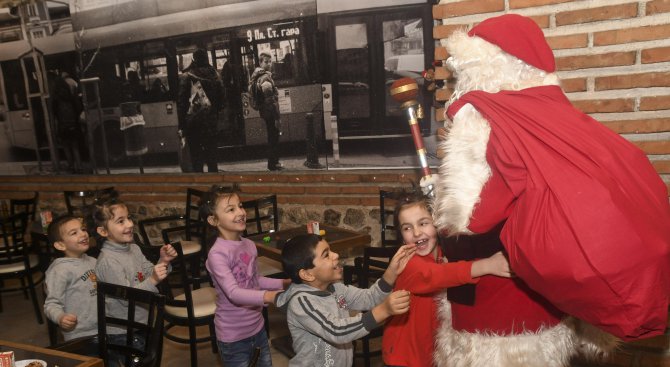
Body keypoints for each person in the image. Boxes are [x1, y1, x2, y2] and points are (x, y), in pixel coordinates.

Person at [430, 13, 667, 365]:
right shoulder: (563, 118)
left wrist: (438, 197)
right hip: (542, 300)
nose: (454, 86)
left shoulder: (482, 120)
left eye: (459, 73)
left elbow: (471, 218)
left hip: (495, 308)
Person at [381, 191, 512, 367]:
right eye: (407, 227)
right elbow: (435, 275)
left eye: (423, 223)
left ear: (437, 223)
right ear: (402, 237)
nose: (417, 232)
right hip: (403, 355)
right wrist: (487, 265)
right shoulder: (408, 263)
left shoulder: (444, 255)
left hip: (428, 353)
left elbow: (452, 270)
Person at [276, 234, 415, 367]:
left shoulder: (336, 289)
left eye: (330, 250)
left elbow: (370, 298)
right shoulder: (301, 303)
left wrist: (391, 272)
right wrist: (383, 310)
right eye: (326, 254)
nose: (336, 255)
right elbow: (336, 330)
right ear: (307, 274)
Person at [202, 185, 290, 367]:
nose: (241, 212)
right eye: (231, 209)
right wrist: (269, 296)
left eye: (240, 206)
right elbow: (234, 293)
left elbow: (254, 280)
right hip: (233, 337)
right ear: (213, 220)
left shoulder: (249, 245)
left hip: (258, 328)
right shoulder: (217, 254)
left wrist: (283, 283)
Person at [92, 193, 177, 365]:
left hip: (140, 322)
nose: (130, 224)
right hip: (121, 332)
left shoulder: (133, 248)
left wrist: (163, 261)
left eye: (129, 218)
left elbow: (147, 271)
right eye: (121, 221)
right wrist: (153, 280)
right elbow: (127, 297)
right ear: (103, 231)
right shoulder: (109, 261)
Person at [43, 214, 98, 345]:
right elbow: (51, 304)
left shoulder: (93, 261)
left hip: (103, 326)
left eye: (83, 229)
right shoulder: (60, 270)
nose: (83, 234)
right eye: (74, 233)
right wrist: (60, 317)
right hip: (79, 334)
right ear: (61, 245)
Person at [178, 48, 223, 173]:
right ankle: (214, 186)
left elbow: (181, 104)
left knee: (196, 160)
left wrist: (182, 125)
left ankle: (201, 187)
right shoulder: (216, 75)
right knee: (212, 160)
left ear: (194, 59)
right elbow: (222, 101)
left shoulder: (186, 77)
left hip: (193, 125)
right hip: (211, 123)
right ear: (207, 59)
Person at [250, 52, 282, 171]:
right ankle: (273, 164)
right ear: (260, 62)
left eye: (270, 61)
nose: (269, 64)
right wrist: (277, 118)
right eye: (266, 62)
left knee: (272, 136)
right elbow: (270, 101)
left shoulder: (258, 75)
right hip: (270, 112)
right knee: (273, 137)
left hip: (265, 111)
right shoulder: (265, 78)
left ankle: (274, 163)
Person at [52, 71, 84, 173]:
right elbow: (78, 108)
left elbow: (54, 113)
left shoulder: (55, 99)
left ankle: (71, 166)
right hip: (73, 124)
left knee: (66, 146)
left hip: (63, 125)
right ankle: (79, 167)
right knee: (75, 146)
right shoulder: (71, 97)